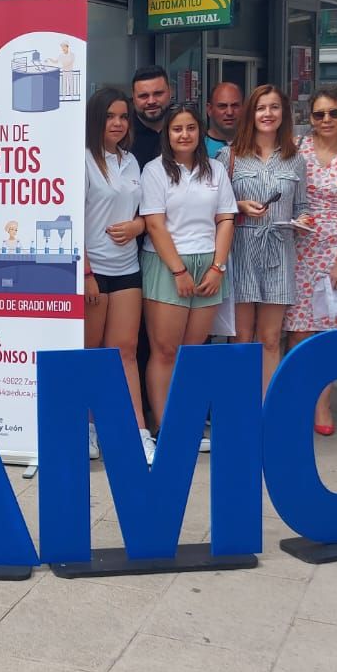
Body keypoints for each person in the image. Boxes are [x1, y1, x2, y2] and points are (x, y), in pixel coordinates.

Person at [141, 104, 236, 454]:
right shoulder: (154, 171)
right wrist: (178, 270)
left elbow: (226, 218)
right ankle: (166, 426)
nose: (184, 134)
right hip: (167, 263)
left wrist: (217, 267)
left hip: (208, 263)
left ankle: (188, 423)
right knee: (165, 350)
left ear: (200, 131)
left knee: (192, 352)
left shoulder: (216, 170)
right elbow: (154, 223)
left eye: (191, 128)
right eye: (177, 128)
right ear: (168, 134)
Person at [283, 86, 337, 436]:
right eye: (319, 114)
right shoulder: (297, 147)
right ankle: (298, 395)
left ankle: (323, 401)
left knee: (331, 329)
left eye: (333, 113)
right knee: (299, 329)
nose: (326, 120)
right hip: (300, 245)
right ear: (310, 118)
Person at [221, 84, 310, 395]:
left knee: (271, 337)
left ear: (283, 113)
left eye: (273, 107)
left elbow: (303, 206)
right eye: (261, 108)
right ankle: (238, 403)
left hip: (279, 249)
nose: (268, 114)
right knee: (242, 335)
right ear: (251, 113)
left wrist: (303, 221)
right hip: (242, 248)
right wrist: (240, 206)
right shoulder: (229, 155)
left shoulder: (295, 159)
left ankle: (267, 406)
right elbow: (216, 204)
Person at [83, 88, 153, 461]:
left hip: (128, 267)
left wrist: (139, 227)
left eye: (124, 116)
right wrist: (87, 273)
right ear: (96, 118)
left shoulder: (131, 162)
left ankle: (137, 432)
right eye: (110, 116)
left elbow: (146, 212)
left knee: (125, 352)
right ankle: (91, 428)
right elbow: (70, 219)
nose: (118, 123)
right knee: (92, 355)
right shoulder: (82, 160)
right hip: (94, 271)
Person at [128, 65, 175, 167]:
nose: (151, 101)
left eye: (158, 94)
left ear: (170, 92)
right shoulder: (122, 135)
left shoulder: (183, 130)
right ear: (133, 97)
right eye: (143, 96)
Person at [205, 81, 243, 157]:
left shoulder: (255, 145)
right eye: (222, 106)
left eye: (235, 105)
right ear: (209, 109)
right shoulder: (197, 148)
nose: (229, 112)